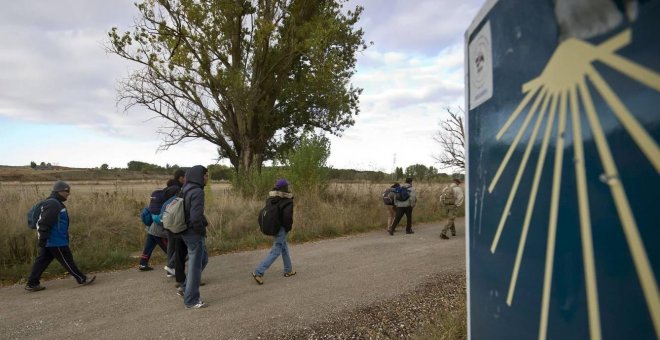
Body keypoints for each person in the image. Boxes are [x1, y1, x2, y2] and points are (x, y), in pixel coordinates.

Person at [25, 180, 96, 291]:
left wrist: (44, 239)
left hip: (51, 239)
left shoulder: (54, 202)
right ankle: (82, 278)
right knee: (67, 259)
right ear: (59, 191)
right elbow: (44, 222)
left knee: (41, 262)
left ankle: (32, 283)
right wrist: (43, 238)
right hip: (55, 240)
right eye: (66, 191)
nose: (68, 193)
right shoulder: (53, 203)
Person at [252, 178, 295, 285]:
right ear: (285, 188)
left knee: (284, 248)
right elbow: (287, 218)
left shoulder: (271, 199)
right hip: (281, 229)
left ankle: (288, 270)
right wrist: (288, 228)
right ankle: (258, 272)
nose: (289, 188)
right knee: (276, 251)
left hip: (274, 227)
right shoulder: (287, 201)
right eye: (287, 186)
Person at [178, 165, 210, 309]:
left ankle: (185, 288)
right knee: (195, 266)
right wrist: (202, 231)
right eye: (206, 175)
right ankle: (191, 300)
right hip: (193, 233)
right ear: (199, 176)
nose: (207, 178)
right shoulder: (197, 191)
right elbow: (195, 218)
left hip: (184, 230)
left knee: (203, 259)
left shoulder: (185, 188)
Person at [163, 169, 185, 280]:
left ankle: (170, 269)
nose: (186, 180)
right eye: (184, 177)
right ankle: (172, 266)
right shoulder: (177, 189)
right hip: (175, 220)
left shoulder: (167, 188)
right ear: (180, 178)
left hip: (166, 219)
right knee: (180, 245)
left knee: (171, 245)